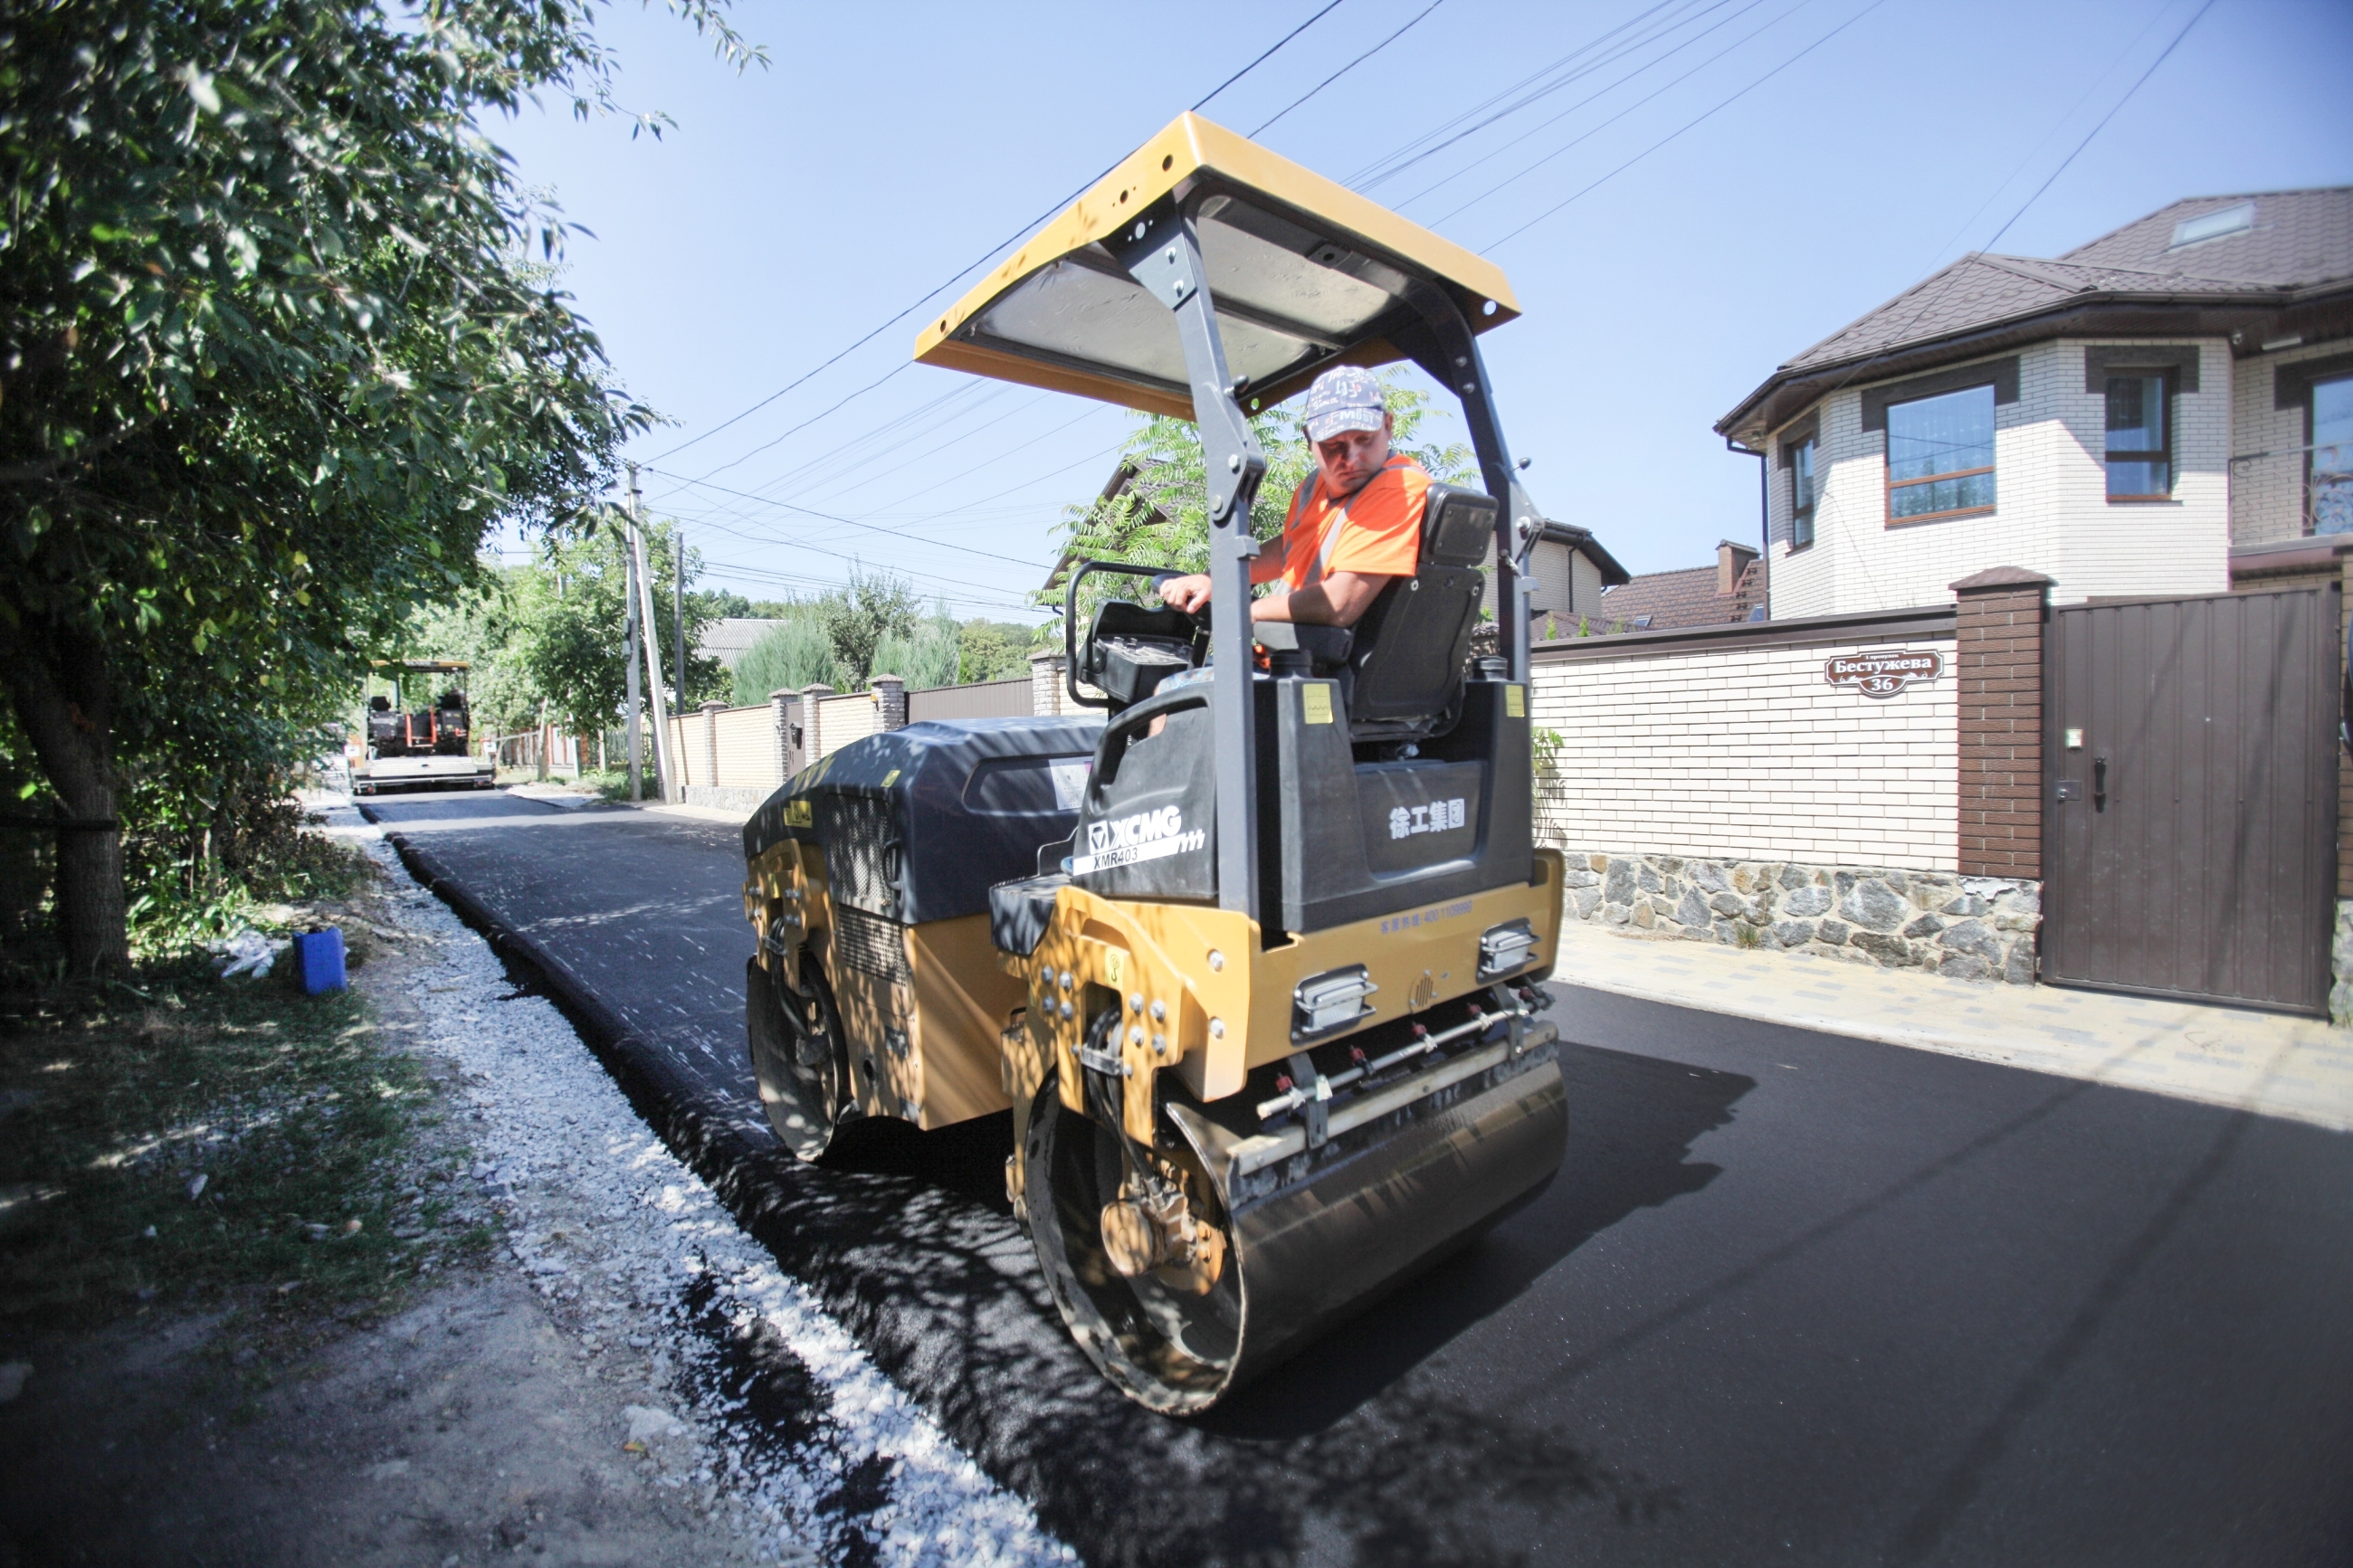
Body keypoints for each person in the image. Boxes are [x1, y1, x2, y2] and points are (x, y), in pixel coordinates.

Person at [1156, 366, 1427, 629]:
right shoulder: (1316, 486)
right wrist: (1216, 580)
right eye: (1334, 446)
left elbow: (1339, 604)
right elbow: (1290, 549)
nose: (1352, 458)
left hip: (1326, 666)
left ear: (1388, 426)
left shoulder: (1397, 487)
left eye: (1365, 439)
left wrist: (1246, 612)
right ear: (1309, 439)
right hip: (1298, 656)